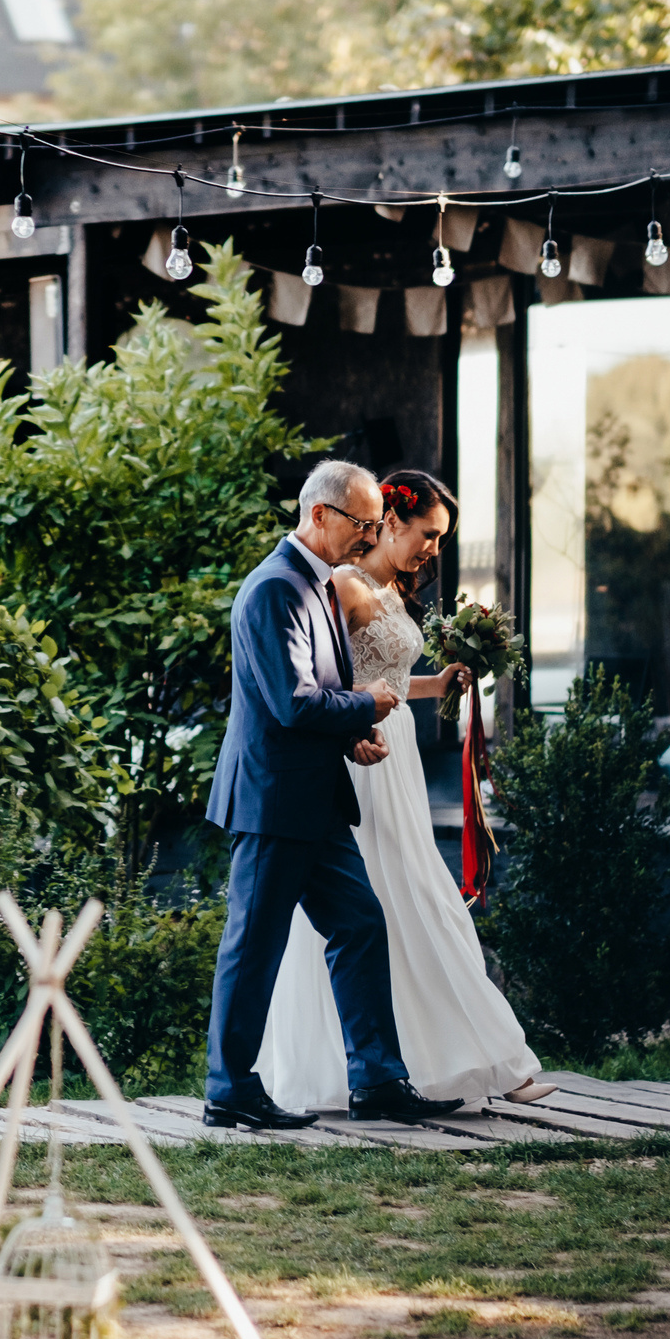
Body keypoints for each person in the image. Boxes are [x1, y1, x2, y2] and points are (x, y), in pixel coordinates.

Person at [257, 470, 559, 1111]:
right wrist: (354, 729)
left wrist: (435, 683)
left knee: (408, 900)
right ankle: (483, 1062)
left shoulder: (390, 590)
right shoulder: (344, 586)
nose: (433, 550)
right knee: (405, 900)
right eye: (429, 534)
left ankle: (448, 1062)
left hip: (399, 760)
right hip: (364, 760)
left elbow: (385, 680)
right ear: (390, 521)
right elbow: (322, 683)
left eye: (442, 539)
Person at [203, 458, 464, 1128]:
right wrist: (366, 706)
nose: (370, 535)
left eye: (377, 524)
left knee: (360, 924)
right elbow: (292, 703)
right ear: (319, 514)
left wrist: (353, 737)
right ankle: (229, 1091)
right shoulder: (275, 588)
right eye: (363, 522)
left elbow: (314, 694)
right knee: (254, 944)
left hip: (315, 799)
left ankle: (376, 1080)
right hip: (273, 801)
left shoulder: (316, 583)